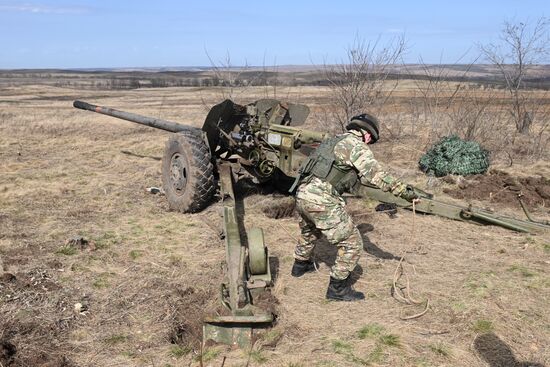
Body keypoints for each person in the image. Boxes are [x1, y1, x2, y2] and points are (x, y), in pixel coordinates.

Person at [289, 113, 418, 301]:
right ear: (366, 133)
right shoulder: (355, 145)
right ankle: (337, 289)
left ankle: (300, 266)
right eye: (370, 140)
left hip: (302, 194)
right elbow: (377, 175)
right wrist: (406, 193)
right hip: (321, 198)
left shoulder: (332, 141)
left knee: (309, 231)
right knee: (353, 243)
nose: (369, 143)